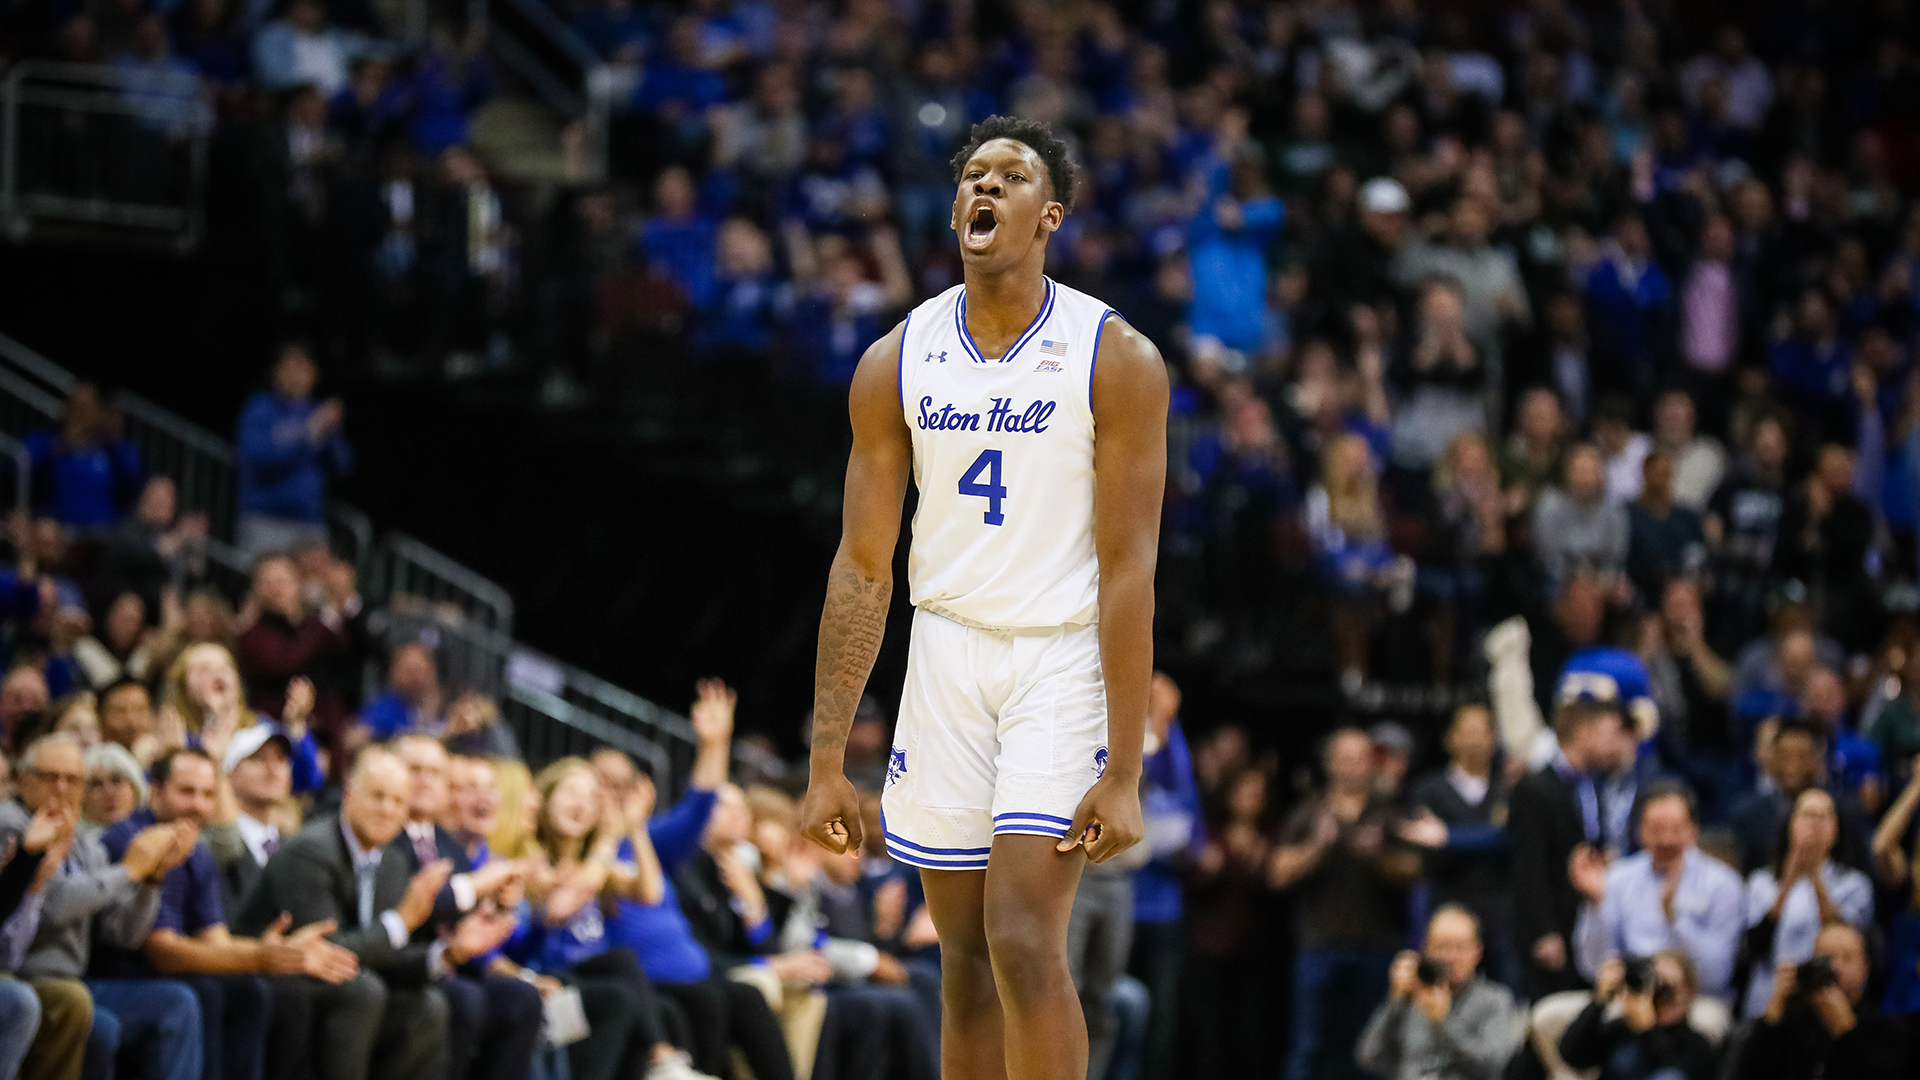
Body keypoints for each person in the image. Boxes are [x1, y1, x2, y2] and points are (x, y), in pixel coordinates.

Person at [798, 115, 1167, 1080]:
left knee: (1022, 940)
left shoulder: (1114, 357)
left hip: (1059, 653)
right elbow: (861, 563)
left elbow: (1131, 567)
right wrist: (827, 758)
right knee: (959, 964)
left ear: (1049, 215)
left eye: (1010, 176)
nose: (985, 188)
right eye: (972, 176)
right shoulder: (898, 358)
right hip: (946, 652)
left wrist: (1125, 768)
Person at [234, 748, 517, 1080]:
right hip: (265, 976)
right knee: (363, 990)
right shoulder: (311, 850)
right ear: (350, 792)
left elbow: (385, 954)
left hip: (341, 981)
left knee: (427, 1007)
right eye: (377, 796)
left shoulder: (391, 863)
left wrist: (451, 953)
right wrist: (402, 921)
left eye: (398, 802)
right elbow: (329, 951)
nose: (387, 810)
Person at [96, 747, 367, 1080]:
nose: (197, 805)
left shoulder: (198, 848)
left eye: (207, 794)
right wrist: (260, 956)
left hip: (161, 972)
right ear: (154, 793)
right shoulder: (134, 839)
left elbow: (216, 939)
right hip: (116, 974)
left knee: (248, 990)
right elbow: (163, 952)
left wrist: (280, 954)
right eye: (186, 792)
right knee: (203, 993)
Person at [0, 734, 201, 1080]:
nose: (61, 788)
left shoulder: (86, 844)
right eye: (50, 777)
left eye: (74, 779)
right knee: (96, 1023)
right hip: (25, 972)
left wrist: (152, 878)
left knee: (180, 1000)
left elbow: (122, 933)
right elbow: (54, 907)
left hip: (72, 979)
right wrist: (131, 870)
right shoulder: (11, 825)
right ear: (22, 780)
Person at [1268, 728, 1421, 1080]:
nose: (1352, 766)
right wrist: (1316, 849)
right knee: (1307, 1046)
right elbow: (1277, 872)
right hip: (1319, 945)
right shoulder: (1309, 812)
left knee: (1374, 1047)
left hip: (1376, 944)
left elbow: (1414, 868)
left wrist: (1377, 856)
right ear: (1330, 764)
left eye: (1360, 758)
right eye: (1345, 758)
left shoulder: (1386, 812)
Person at [386, 735, 541, 1080]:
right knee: (465, 999)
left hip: (453, 968)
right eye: (415, 769)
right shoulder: (384, 834)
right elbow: (410, 908)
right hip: (403, 967)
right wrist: (478, 886)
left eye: (434, 772)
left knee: (522, 998)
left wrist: (499, 909)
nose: (425, 779)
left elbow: (471, 930)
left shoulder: (450, 847)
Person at [1572, 781, 1744, 1003]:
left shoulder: (1723, 883)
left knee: (1708, 1021)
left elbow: (1718, 974)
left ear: (1693, 828)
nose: (1666, 839)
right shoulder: (1619, 878)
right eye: (1656, 829)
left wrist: (1675, 920)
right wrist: (1595, 903)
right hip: (1630, 995)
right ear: (1639, 832)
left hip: (1696, 999)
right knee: (1549, 1017)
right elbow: (1591, 966)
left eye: (1675, 829)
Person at [1511, 697, 1634, 997]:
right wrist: (1544, 932)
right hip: (1557, 926)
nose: (1617, 743)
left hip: (1591, 925)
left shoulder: (1596, 785)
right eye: (1610, 734)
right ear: (1582, 732)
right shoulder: (1535, 788)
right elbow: (1529, 867)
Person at [1404, 704, 1517, 990]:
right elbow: (1426, 850)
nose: (1475, 740)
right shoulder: (1428, 789)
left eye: (1482, 732)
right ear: (1449, 738)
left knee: (1505, 996)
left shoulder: (1509, 787)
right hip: (1447, 915)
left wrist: (1447, 836)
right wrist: (1485, 835)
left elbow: (1508, 838)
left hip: (1501, 919)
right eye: (1466, 732)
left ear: (1494, 739)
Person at [1739, 788, 1873, 1017]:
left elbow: (1844, 941)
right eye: (1808, 815)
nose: (1815, 824)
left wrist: (1815, 878)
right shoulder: (1760, 883)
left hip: (1830, 998)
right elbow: (1753, 948)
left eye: (1823, 817)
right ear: (1791, 823)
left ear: (1835, 828)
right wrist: (1788, 882)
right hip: (1770, 995)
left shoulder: (1854, 884)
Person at [1354, 905, 1526, 1080]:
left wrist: (1442, 1023)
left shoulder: (1496, 1000)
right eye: (1442, 947)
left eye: (1460, 947)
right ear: (1426, 949)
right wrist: (1395, 1000)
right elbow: (1368, 1058)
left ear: (1477, 952)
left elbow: (1491, 1068)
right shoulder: (1409, 999)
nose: (1450, 957)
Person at [1731, 921, 1906, 1079]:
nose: (1835, 967)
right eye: (1826, 958)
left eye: (1847, 958)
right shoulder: (1792, 1020)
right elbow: (1749, 1072)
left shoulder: (1883, 1030)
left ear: (1864, 969)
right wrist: (1773, 1012)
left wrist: (1846, 1033)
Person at [234, 343, 351, 560]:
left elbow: (342, 466)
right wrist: (308, 433)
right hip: (265, 520)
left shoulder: (318, 413)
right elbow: (255, 457)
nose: (298, 375)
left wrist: (332, 434)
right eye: (291, 367)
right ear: (276, 371)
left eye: (304, 368)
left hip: (309, 524)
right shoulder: (260, 408)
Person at [1558, 951, 1717, 1080]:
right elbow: (1572, 1055)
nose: (1662, 993)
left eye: (1670, 986)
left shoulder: (1697, 1045)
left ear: (1689, 995)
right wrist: (1598, 1002)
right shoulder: (1623, 1029)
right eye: (1656, 982)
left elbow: (1668, 1066)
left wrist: (1647, 1028)